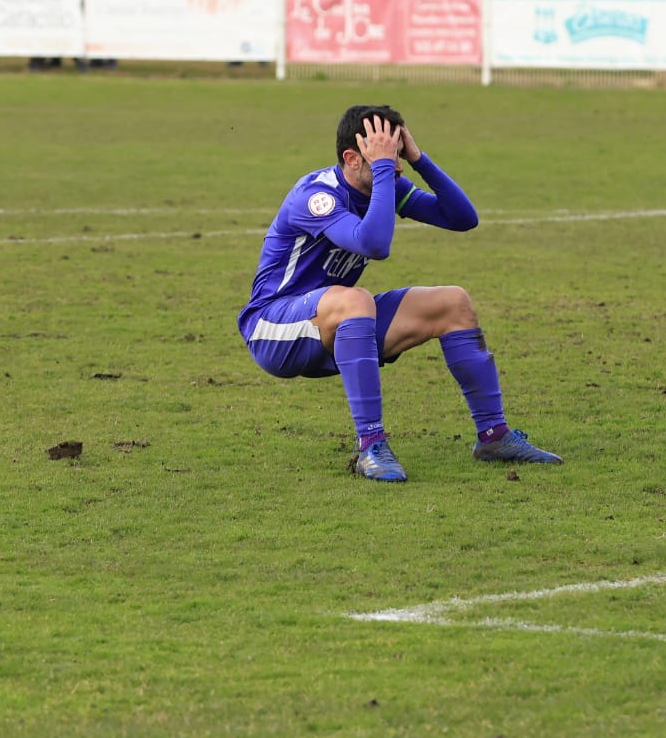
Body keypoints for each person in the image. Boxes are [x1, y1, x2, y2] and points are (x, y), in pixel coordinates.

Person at [237, 105, 561, 482]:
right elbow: (373, 244)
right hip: (273, 329)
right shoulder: (316, 196)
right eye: (386, 157)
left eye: (398, 154)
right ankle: (371, 446)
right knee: (355, 298)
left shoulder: (384, 183)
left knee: (453, 302)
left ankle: (494, 436)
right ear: (352, 158)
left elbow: (462, 218)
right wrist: (387, 172)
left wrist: (419, 159)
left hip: (335, 320)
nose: (398, 167)